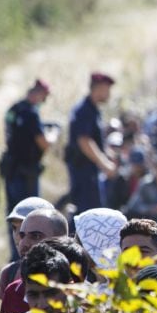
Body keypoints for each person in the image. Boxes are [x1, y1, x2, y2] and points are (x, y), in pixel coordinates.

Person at [0, 208, 69, 313]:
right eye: (22, 236)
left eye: (36, 236)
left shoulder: (79, 292)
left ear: (61, 241)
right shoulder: (13, 292)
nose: (24, 243)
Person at [1, 79, 54, 220]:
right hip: (26, 172)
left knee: (13, 214)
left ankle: (15, 242)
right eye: (44, 97)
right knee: (31, 214)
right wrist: (52, 136)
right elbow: (43, 143)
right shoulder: (31, 113)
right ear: (39, 94)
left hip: (11, 168)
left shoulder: (14, 109)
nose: (44, 100)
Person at [65, 72, 117, 212]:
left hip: (89, 170)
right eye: (107, 89)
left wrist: (107, 153)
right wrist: (104, 163)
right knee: (88, 211)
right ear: (98, 88)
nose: (108, 94)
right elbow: (84, 140)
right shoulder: (84, 110)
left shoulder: (93, 110)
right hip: (83, 170)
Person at [0, 197, 54, 298]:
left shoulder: (67, 273)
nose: (18, 236)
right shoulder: (9, 274)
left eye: (33, 233)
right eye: (14, 228)